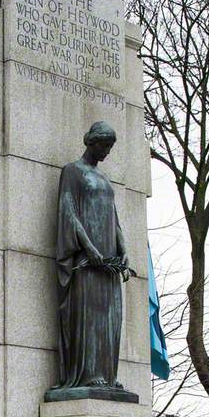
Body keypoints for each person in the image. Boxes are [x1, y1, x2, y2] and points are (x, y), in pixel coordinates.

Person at [48, 120, 132, 398]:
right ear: (91, 141)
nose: (107, 151)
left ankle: (108, 375)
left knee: (111, 320)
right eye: (104, 145)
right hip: (88, 262)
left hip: (109, 262)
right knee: (90, 316)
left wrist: (123, 249)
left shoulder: (104, 178)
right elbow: (68, 212)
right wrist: (89, 249)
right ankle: (89, 374)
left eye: (110, 146)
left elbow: (114, 218)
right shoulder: (73, 171)